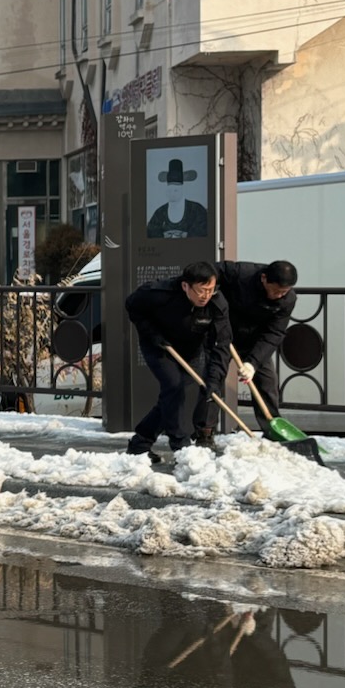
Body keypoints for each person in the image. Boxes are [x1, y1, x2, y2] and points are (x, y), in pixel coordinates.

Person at [124, 260, 231, 461]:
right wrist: (152, 333)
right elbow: (132, 305)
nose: (206, 296)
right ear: (185, 286)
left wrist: (214, 380)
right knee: (174, 386)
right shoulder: (159, 292)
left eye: (210, 290)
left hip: (190, 350)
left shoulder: (217, 303)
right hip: (160, 345)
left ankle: (140, 443)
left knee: (172, 396)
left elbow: (222, 344)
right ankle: (181, 445)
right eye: (201, 291)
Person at [195, 259, 298, 440]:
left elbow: (274, 332)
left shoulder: (288, 300)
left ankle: (273, 431)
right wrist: (213, 294)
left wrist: (253, 363)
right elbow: (208, 271)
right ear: (264, 279)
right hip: (223, 333)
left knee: (267, 383)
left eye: (284, 292)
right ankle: (205, 432)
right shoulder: (240, 273)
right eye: (276, 291)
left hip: (255, 340)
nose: (279, 295)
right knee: (214, 378)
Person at [146, 158, 209, 239]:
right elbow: (151, 233)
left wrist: (184, 236)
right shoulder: (159, 213)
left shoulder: (197, 209)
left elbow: (203, 232)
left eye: (176, 190)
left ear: (183, 189)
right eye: (170, 190)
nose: (172, 194)